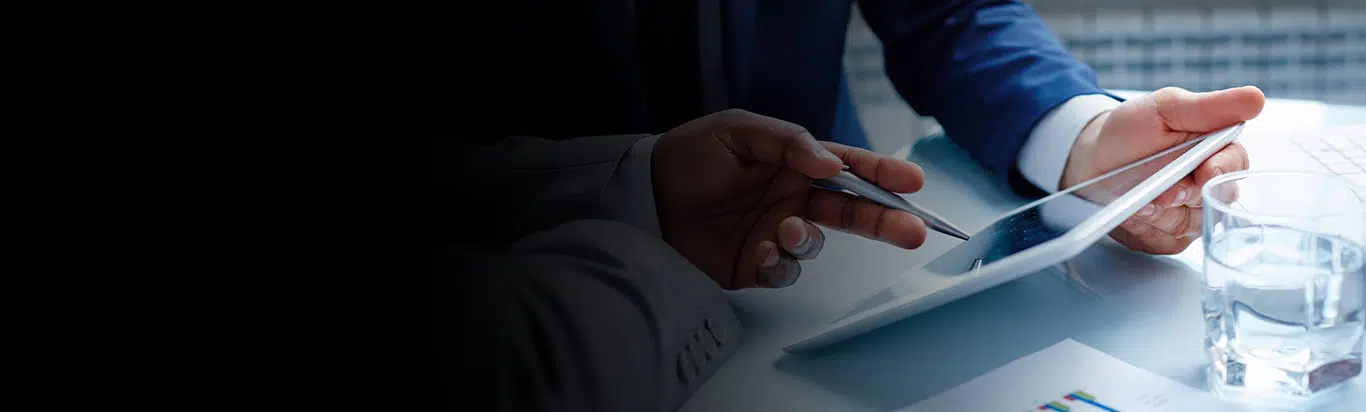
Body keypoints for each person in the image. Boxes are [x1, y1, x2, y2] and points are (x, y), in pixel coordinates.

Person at [422, 1, 1266, 410]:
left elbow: (950, 11)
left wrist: (1083, 142)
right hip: (548, 321)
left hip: (850, 239)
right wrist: (630, 193)